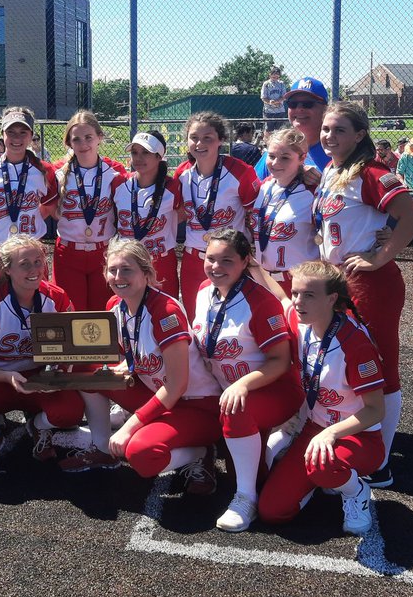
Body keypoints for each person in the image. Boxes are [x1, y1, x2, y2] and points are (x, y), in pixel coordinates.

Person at [316, 101, 413, 489]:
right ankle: (365, 442)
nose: (329, 136)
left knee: (380, 368)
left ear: (360, 134)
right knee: (352, 364)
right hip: (341, 281)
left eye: (339, 130)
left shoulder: (371, 171)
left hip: (371, 284)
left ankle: (380, 462)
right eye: (326, 129)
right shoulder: (333, 171)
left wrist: (380, 256)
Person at [60, 239, 220, 500]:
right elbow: (135, 352)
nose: (118, 277)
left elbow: (177, 385)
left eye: (127, 270)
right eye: (113, 270)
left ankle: (202, 452)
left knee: (141, 455)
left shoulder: (165, 311)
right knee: (86, 369)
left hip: (195, 405)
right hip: (160, 396)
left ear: (146, 273)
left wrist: (129, 426)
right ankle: (102, 448)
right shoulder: (116, 305)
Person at [256, 260, 386, 536]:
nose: (298, 301)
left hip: (358, 436)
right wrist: (255, 266)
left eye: (309, 295)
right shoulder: (300, 319)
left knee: (323, 466)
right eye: (296, 293)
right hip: (315, 429)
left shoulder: (356, 344)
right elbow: (281, 298)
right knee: (272, 511)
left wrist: (330, 434)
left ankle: (356, 490)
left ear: (332, 299)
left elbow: (375, 410)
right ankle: (321, 478)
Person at [191, 230, 303, 533]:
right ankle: (271, 454)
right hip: (233, 392)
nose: (216, 266)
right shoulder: (204, 291)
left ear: (245, 262)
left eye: (226, 260)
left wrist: (242, 385)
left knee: (234, 416)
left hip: (272, 388)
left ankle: (246, 499)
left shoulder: (260, 301)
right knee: (255, 471)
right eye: (210, 258)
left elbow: (281, 361)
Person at [0, 235, 85, 472]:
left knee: (71, 411)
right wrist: (6, 376)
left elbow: (72, 347)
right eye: (24, 264)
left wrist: (57, 371)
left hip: (37, 380)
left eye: (38, 261)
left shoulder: (56, 297)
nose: (34, 269)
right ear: (7, 269)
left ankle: (37, 426)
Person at [175, 111, 260, 316]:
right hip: (193, 259)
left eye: (207, 138)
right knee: (196, 319)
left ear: (221, 140)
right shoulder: (182, 174)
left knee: (231, 318)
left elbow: (255, 214)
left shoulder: (240, 171)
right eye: (194, 138)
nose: (199, 143)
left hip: (228, 259)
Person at [52, 110, 127, 311]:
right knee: (71, 315)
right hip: (68, 253)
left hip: (103, 253)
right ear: (69, 143)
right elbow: (48, 208)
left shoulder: (115, 172)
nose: (83, 144)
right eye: (76, 139)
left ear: (99, 138)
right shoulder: (57, 172)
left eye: (89, 137)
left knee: (102, 315)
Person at [0, 107, 58, 263]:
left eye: (23, 132)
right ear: (2, 134)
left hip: (31, 249)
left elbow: (49, 207)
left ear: (31, 135)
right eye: (11, 132)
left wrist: (28, 216)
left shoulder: (44, 170)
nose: (16, 138)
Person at [113, 130, 184, 295]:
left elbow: (183, 214)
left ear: (159, 156)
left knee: (165, 311)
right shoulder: (118, 183)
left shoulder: (173, 187)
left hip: (161, 260)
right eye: (134, 152)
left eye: (146, 152)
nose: (138, 158)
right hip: (127, 260)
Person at [251, 128, 317, 297]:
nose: (275, 163)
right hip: (263, 278)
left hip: (299, 280)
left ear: (302, 158)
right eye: (271, 156)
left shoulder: (313, 191)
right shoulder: (264, 187)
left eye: (285, 158)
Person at [254, 77, 331, 180]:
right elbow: (252, 190)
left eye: (308, 104)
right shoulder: (277, 150)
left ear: (325, 109)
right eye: (292, 104)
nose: (299, 109)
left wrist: (322, 185)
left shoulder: (336, 150)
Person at [261, 65, 289, 133]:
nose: (275, 78)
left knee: (280, 130)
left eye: (277, 76)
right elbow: (263, 97)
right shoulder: (266, 84)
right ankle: (267, 143)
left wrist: (277, 101)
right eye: (273, 76)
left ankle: (278, 143)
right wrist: (270, 102)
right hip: (269, 111)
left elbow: (284, 96)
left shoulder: (281, 84)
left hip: (280, 110)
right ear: (270, 75)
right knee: (268, 130)